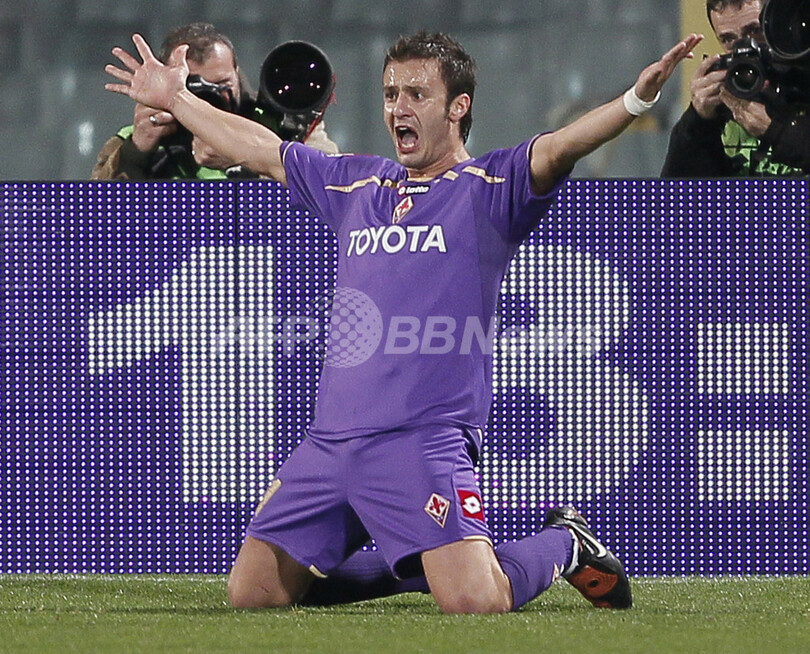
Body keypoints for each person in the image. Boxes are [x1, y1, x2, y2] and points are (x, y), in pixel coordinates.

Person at [105, 29, 700, 613]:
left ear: (458, 107)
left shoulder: (487, 189)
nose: (398, 108)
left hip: (422, 441)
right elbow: (258, 148)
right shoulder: (358, 182)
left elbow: (560, 146)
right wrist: (176, 98)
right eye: (391, 94)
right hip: (330, 443)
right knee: (253, 594)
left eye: (417, 94)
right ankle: (422, 568)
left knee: (475, 602)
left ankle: (564, 544)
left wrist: (634, 101)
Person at [92, 22, 338, 180]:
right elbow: (98, 220)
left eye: (222, 85)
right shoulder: (145, 135)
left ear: (237, 75)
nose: (209, 100)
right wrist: (136, 153)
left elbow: (331, 189)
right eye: (194, 88)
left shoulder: (283, 127)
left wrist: (244, 160)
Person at [661, 0, 810, 177]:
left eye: (755, 31)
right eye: (728, 39)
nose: (745, 47)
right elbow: (676, 191)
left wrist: (776, 132)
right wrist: (697, 122)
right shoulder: (720, 104)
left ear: (778, 24)